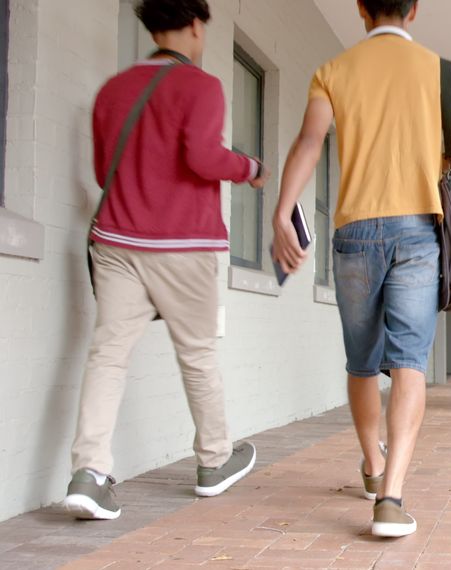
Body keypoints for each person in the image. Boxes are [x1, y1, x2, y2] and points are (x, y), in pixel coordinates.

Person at [270, 0, 451, 538]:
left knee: (362, 359)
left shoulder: (333, 70)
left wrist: (280, 214)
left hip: (355, 229)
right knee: (409, 359)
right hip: (417, 228)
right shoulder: (445, 72)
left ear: (361, 8)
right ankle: (391, 498)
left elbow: (309, 143)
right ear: (414, 9)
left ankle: (372, 464)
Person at [63, 0, 266, 521]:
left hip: (116, 242)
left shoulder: (113, 90)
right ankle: (214, 461)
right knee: (197, 354)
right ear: (196, 26)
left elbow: (101, 168)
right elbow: (202, 157)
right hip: (183, 245)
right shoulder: (202, 86)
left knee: (107, 355)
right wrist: (249, 167)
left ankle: (89, 474)